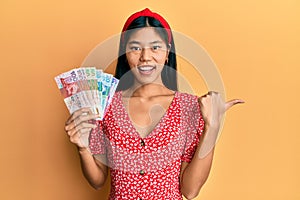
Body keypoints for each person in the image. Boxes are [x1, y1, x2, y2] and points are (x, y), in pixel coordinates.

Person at [64, 8, 244, 200]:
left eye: (155, 47)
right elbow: (98, 180)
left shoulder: (190, 108)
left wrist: (212, 126)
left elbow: (190, 191)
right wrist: (83, 148)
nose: (145, 57)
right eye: (135, 47)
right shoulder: (106, 106)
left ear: (168, 52)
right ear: (125, 53)